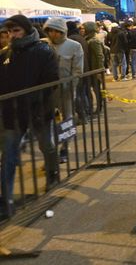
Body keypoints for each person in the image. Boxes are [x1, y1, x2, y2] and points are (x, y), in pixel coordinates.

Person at [1, 15, 60, 217]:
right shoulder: (6, 54)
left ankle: (52, 172)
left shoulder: (44, 51)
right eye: (9, 32)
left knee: (46, 145)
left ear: (25, 30)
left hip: (38, 111)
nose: (11, 35)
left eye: (16, 31)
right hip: (13, 114)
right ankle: (6, 199)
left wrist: (33, 100)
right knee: (8, 154)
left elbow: (52, 80)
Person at [43, 18, 84, 163]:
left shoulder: (74, 46)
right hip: (46, 91)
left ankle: (64, 148)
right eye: (50, 31)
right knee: (47, 121)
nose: (53, 34)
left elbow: (78, 70)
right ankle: (51, 151)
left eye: (56, 31)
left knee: (67, 119)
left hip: (65, 90)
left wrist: (71, 86)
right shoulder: (43, 44)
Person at [82, 22, 105, 114]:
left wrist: (100, 70)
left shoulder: (94, 40)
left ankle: (99, 107)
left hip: (95, 69)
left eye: (84, 28)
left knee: (97, 89)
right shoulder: (89, 39)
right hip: (92, 69)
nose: (82, 30)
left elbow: (99, 55)